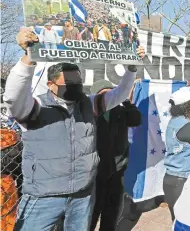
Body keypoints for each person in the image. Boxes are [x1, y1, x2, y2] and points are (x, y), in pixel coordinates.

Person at [3, 28, 145, 231]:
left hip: (83, 194)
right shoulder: (34, 109)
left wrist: (132, 69)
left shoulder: (88, 104)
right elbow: (13, 96)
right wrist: (28, 58)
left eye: (78, 81)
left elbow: (120, 94)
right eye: (68, 82)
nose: (75, 85)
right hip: (44, 196)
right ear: (51, 84)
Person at [89, 80, 142, 231]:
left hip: (117, 171)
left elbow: (136, 119)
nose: (108, 97)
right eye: (104, 94)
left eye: (111, 93)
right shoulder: (88, 113)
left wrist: (126, 101)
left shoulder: (121, 111)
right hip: (95, 174)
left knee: (111, 215)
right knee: (90, 216)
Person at [163, 87, 190, 221]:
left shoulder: (175, 121)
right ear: (189, 105)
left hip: (171, 179)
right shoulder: (189, 126)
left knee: (178, 222)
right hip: (183, 181)